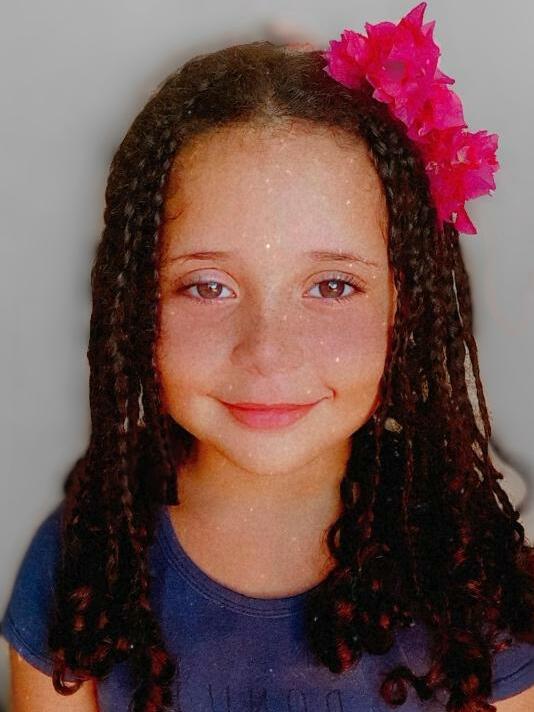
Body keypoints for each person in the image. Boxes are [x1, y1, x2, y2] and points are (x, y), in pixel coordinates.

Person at [2, 3, 534, 711]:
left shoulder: (477, 581)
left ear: (406, 305)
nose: (267, 353)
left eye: (333, 285)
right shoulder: (80, 565)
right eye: (208, 285)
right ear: (135, 301)